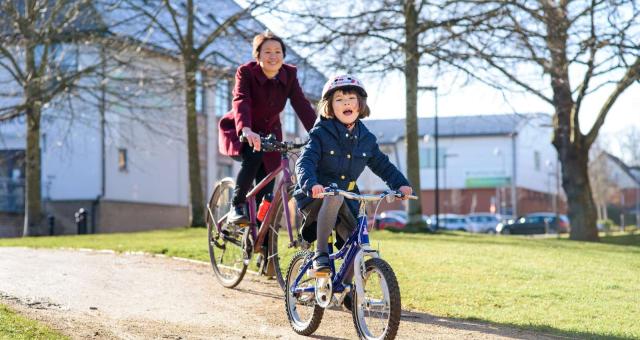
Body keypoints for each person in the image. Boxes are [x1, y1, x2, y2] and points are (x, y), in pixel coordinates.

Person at [294, 74, 413, 274]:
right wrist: (310, 184)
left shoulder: (366, 138)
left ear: (360, 105)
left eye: (351, 99)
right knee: (335, 196)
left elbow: (383, 165)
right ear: (330, 106)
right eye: (339, 100)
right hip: (317, 195)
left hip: (349, 198)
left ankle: (349, 291)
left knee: (355, 242)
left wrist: (400, 184)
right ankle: (320, 254)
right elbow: (304, 161)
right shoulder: (320, 133)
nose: (346, 103)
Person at [218, 31, 316, 223]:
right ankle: (237, 205)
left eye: (278, 51)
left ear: (283, 55)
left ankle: (263, 238)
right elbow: (241, 100)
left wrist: (318, 131)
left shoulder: (289, 74)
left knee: (268, 183)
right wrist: (245, 129)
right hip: (242, 130)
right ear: (258, 55)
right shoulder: (246, 72)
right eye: (267, 52)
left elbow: (301, 104)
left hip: (270, 134)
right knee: (253, 156)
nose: (273, 56)